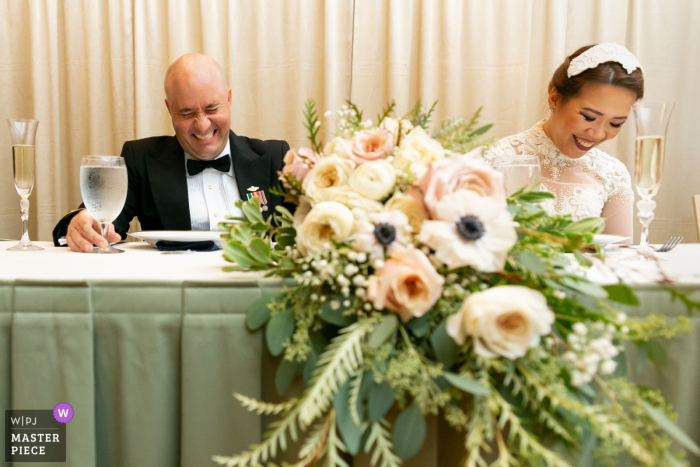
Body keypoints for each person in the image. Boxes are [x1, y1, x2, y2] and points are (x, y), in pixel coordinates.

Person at [52, 53, 290, 252]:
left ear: (228, 99)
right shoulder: (140, 159)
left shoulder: (275, 157)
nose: (202, 125)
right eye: (186, 113)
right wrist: (82, 224)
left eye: (212, 108)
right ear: (169, 109)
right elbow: (101, 220)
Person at [486, 43, 644, 237]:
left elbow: (620, 255)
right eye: (589, 117)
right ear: (554, 99)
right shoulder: (497, 159)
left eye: (615, 123)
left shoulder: (613, 174)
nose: (597, 133)